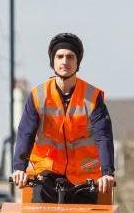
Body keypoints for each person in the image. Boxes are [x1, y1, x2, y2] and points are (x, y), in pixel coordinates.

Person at [11, 33, 115, 203]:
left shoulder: (92, 96)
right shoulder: (38, 96)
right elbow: (25, 134)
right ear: (52, 61)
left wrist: (107, 173)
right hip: (46, 174)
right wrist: (19, 168)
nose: (64, 61)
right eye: (59, 56)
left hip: (83, 178)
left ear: (77, 62)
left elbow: (103, 136)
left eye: (70, 57)